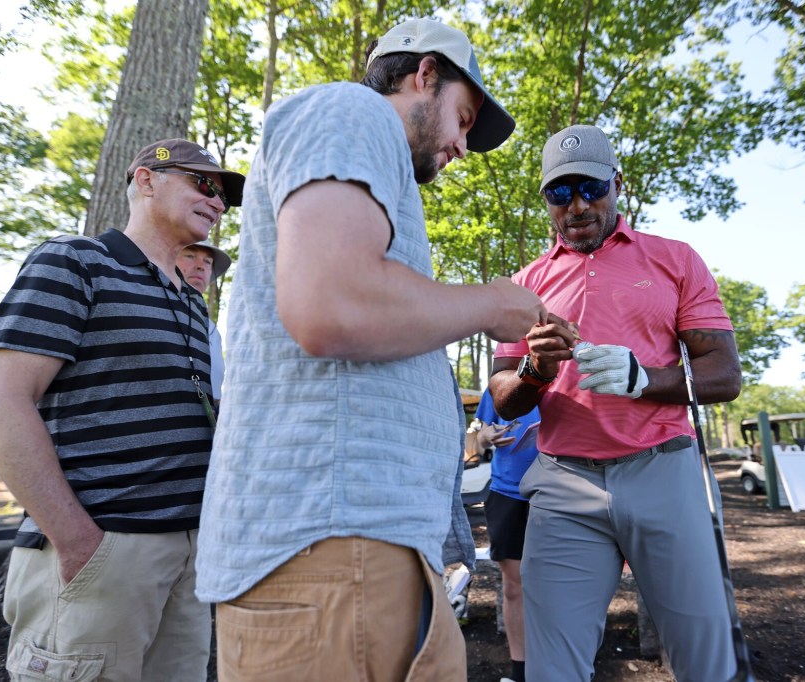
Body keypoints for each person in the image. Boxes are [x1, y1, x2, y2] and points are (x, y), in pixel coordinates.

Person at [195, 17, 546, 681]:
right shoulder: (349, 108)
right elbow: (334, 303)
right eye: (463, 118)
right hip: (327, 557)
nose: (462, 147)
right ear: (423, 75)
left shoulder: (372, 157)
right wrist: (493, 306)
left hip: (368, 559)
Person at [0, 139, 244, 681]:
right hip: (102, 549)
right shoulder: (73, 262)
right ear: (146, 180)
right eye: (203, 184)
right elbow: (0, 403)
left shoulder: (190, 300)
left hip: (189, 557)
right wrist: (78, 542)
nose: (217, 202)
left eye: (223, 196)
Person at [489, 124, 743, 682]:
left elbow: (724, 377)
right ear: (545, 201)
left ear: (617, 184)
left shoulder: (675, 260)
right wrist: (536, 371)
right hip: (563, 483)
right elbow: (503, 400)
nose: (577, 205)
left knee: (706, 658)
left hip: (663, 469)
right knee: (551, 668)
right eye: (560, 193)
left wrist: (643, 378)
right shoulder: (525, 285)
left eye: (591, 188)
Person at [473, 388, 540, 682]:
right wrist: (485, 437)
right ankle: (520, 673)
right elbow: (478, 436)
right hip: (507, 492)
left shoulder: (567, 377)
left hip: (558, 491)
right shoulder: (501, 383)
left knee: (561, 587)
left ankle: (566, 666)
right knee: (515, 587)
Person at [176, 239, 232, 402]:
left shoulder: (213, 330)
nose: (200, 265)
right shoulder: (153, 310)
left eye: (207, 261)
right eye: (190, 256)